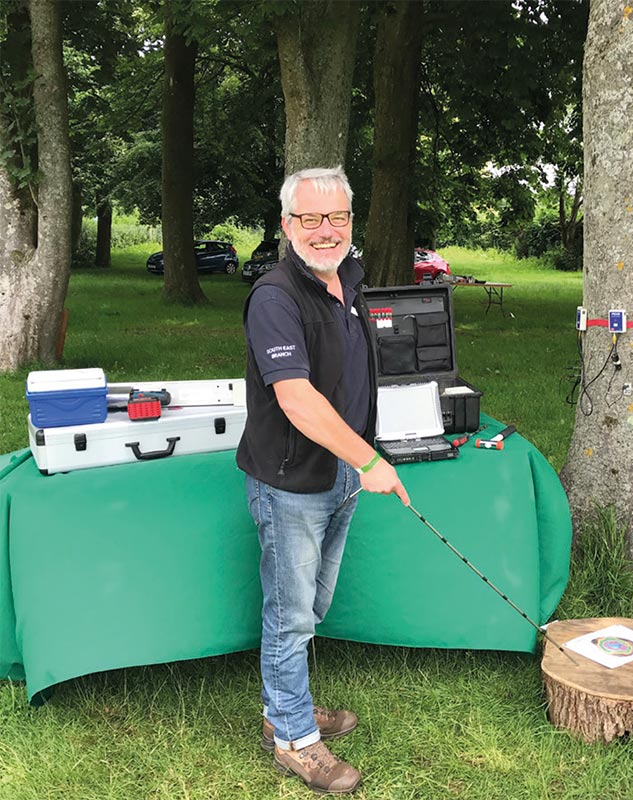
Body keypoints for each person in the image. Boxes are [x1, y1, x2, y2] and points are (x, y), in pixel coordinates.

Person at [237, 166, 410, 794]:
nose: (324, 229)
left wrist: (363, 456)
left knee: (311, 605)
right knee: (290, 615)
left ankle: (287, 705)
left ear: (350, 222)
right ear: (286, 226)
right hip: (291, 482)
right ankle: (292, 738)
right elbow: (298, 401)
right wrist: (370, 461)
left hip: (341, 472)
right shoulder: (275, 296)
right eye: (309, 218)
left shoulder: (350, 283)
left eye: (336, 216)